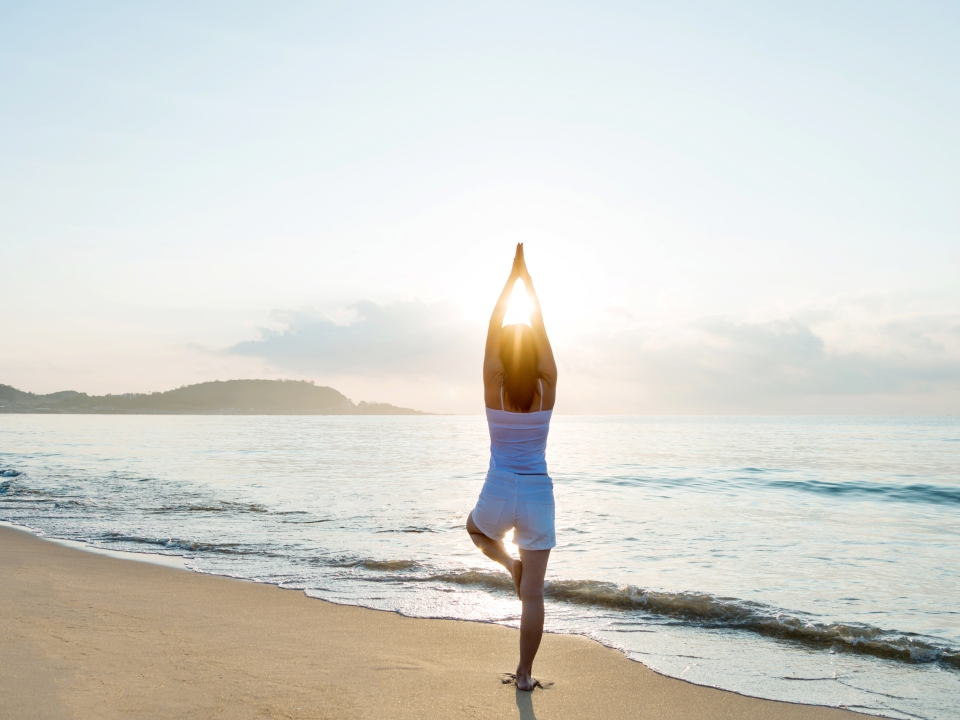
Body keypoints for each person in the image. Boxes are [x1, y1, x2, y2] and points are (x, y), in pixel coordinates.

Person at [466, 243, 558, 691]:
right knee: (534, 596)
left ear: (503, 354)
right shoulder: (547, 387)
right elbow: (537, 324)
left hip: (501, 484)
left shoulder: (493, 386)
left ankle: (508, 565)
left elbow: (492, 325)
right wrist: (530, 281)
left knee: (476, 531)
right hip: (538, 491)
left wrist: (512, 278)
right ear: (537, 356)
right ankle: (524, 675)